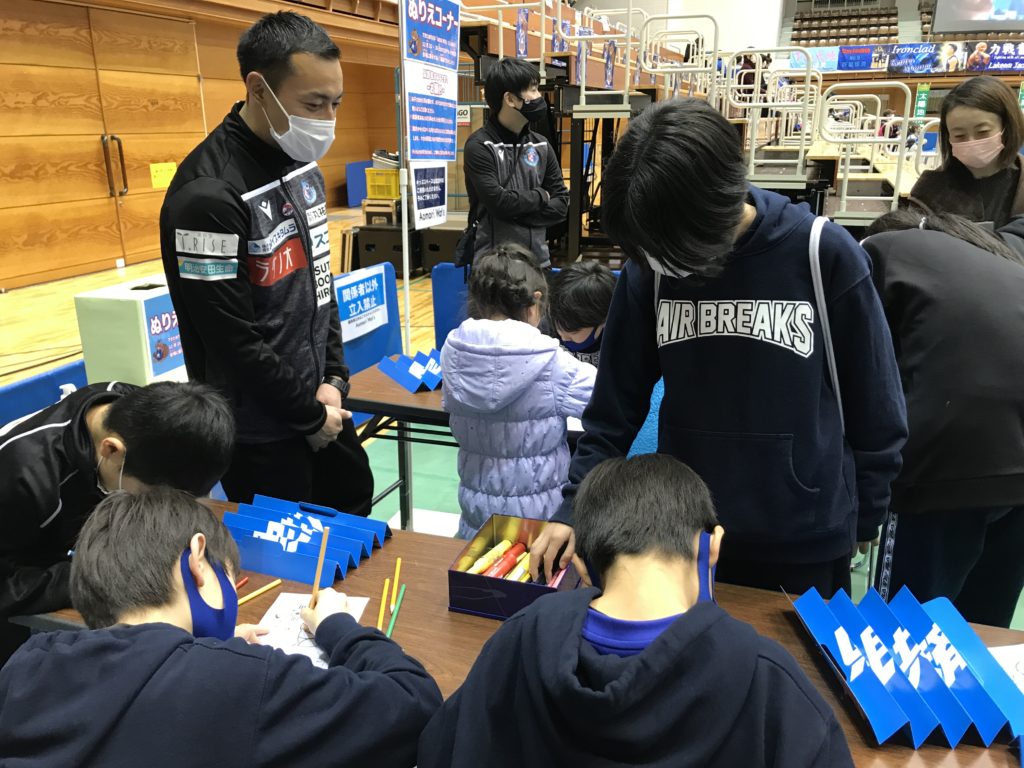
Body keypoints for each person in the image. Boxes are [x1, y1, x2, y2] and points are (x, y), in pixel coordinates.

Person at [530, 98, 908, 595]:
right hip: (683, 534)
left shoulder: (823, 255)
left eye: (665, 248)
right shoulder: (652, 268)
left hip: (804, 538)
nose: (655, 259)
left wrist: (868, 511)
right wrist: (573, 506)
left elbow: (876, 404)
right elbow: (613, 410)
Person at [418, 454, 854, 768]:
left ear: (582, 566)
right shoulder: (771, 682)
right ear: (713, 547)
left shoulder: (517, 643)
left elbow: (439, 749)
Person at [0, 488, 442, 767]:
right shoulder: (241, 680)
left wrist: (200, 651)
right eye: (228, 577)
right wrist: (337, 626)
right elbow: (415, 704)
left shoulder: (24, 668)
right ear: (197, 561)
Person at [160, 11, 373, 514]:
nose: (327, 119)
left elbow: (321, 282)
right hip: (259, 431)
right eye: (313, 104)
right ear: (259, 89)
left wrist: (335, 379)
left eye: (336, 103)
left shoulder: (301, 163)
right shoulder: (207, 197)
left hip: (320, 402)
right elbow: (231, 339)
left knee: (356, 506)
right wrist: (307, 415)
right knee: (290, 556)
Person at [862, 207, 1024, 628]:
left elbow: (860, 374)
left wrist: (864, 503)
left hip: (944, 464)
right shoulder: (997, 257)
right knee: (983, 632)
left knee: (901, 632)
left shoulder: (878, 249)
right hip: (1016, 469)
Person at [0, 381, 233, 661]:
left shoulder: (139, 411)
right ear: (111, 450)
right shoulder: (22, 477)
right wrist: (94, 577)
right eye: (151, 496)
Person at [441, 244, 596, 539]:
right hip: (538, 526)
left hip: (477, 517)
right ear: (535, 302)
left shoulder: (453, 352)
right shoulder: (550, 361)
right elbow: (607, 399)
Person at [463, 57, 569, 266]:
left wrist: (513, 215)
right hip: (494, 267)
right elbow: (499, 203)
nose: (539, 97)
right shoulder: (479, 146)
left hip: (538, 263)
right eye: (533, 90)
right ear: (510, 99)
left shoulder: (541, 145)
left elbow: (561, 205)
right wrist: (542, 195)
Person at [911, 76, 1024, 228]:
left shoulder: (1019, 183)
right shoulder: (929, 191)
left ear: (1008, 127)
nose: (971, 142)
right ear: (948, 137)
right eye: (959, 135)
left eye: (983, 132)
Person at [544, 261, 616, 367]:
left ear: (604, 320)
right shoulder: (545, 329)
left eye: (573, 332)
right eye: (559, 327)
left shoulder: (618, 340)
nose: (564, 337)